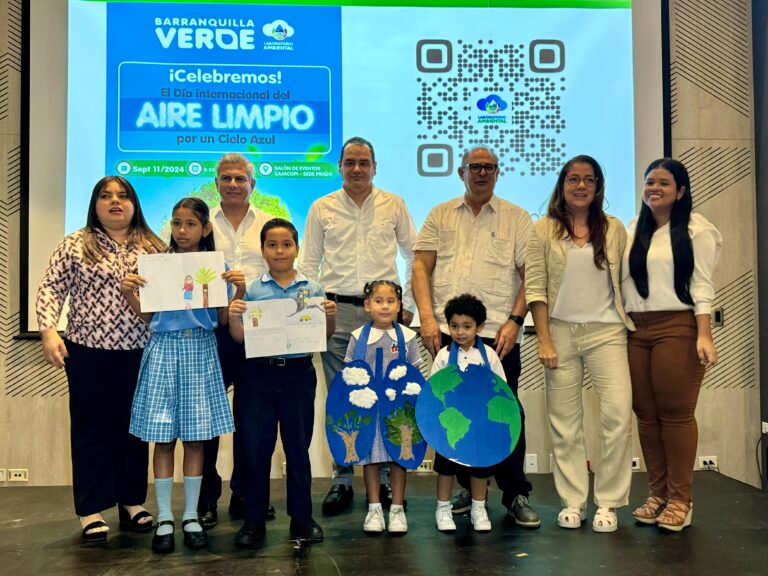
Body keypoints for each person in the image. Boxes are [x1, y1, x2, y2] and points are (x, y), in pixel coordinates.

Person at [412, 146, 540, 528]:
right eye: (474, 167)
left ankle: (515, 492)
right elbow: (420, 267)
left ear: (498, 173)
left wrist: (516, 321)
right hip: (448, 337)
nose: (481, 173)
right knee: (454, 414)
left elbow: (530, 274)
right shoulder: (439, 215)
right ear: (460, 172)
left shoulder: (517, 218)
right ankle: (469, 489)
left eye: (489, 167)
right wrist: (428, 321)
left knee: (505, 415)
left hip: (497, 337)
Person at [36, 176, 165, 542]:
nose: (115, 202)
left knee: (135, 430)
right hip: (88, 351)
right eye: (106, 196)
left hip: (140, 352)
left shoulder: (154, 248)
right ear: (95, 204)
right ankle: (90, 509)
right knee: (91, 429)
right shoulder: (75, 244)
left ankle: (132, 502)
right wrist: (48, 330)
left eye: (123, 196)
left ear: (134, 204)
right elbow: (50, 288)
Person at [299, 136, 417, 515]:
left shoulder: (394, 204)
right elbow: (307, 265)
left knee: (389, 394)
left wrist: (408, 305)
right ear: (339, 166)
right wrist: (309, 315)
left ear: (375, 166)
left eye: (364, 162)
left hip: (385, 312)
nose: (356, 169)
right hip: (338, 312)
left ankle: (382, 479)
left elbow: (413, 255)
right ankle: (343, 478)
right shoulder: (322, 207)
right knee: (343, 397)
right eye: (349, 162)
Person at [121, 198, 241, 552]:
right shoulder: (157, 265)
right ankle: (164, 518)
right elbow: (147, 317)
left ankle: (190, 514)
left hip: (201, 350)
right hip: (163, 350)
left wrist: (240, 289)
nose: (182, 230)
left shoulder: (217, 266)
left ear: (204, 229)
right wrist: (130, 294)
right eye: (176, 223)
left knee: (195, 437)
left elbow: (220, 319)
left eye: (190, 224)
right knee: (162, 437)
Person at [525, 155, 634, 532]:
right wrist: (544, 340)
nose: (581, 186)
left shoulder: (615, 228)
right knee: (565, 423)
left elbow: (627, 282)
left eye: (589, 180)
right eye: (574, 179)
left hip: (607, 332)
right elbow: (536, 289)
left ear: (598, 186)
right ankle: (573, 501)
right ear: (562, 184)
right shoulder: (543, 230)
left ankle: (608, 503)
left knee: (618, 414)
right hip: (559, 332)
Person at [623, 158, 721, 532]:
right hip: (636, 329)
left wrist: (703, 333)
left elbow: (702, 286)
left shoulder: (698, 229)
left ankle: (681, 500)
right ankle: (658, 493)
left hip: (677, 327)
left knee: (675, 415)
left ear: (680, 191)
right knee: (646, 416)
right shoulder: (634, 228)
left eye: (664, 183)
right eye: (649, 182)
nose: (654, 189)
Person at [229, 218, 337, 548]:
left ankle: (302, 519)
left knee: (297, 449)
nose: (279, 250)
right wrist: (235, 317)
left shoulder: (313, 288)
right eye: (272, 245)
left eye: (286, 244)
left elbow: (324, 336)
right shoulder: (253, 290)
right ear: (262, 250)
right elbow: (239, 338)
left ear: (297, 248)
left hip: (298, 375)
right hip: (257, 376)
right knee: (256, 450)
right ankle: (254, 520)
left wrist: (329, 317)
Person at [200, 153, 275, 528]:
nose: (232, 184)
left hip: (257, 334)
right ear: (216, 183)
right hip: (210, 332)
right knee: (209, 418)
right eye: (226, 178)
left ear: (252, 184)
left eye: (240, 179)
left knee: (253, 418)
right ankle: (206, 499)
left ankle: (248, 494)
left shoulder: (268, 224)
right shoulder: (202, 225)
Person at [344, 280, 421, 534]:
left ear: (399, 305)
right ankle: (374, 508)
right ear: (367, 306)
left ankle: (397, 509)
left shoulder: (408, 337)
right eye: (378, 301)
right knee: (371, 460)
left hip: (398, 412)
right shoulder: (358, 337)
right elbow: (349, 375)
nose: (385, 306)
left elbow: (416, 373)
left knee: (400, 458)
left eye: (391, 301)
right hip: (370, 412)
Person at [430, 294, 506, 533]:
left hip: (481, 424)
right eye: (454, 326)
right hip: (450, 423)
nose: (460, 332)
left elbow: (500, 389)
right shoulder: (443, 355)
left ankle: (478, 508)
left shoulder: (489, 356)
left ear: (479, 327)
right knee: (446, 466)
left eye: (466, 326)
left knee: (480, 466)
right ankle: (442, 508)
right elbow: (434, 389)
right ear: (447, 326)